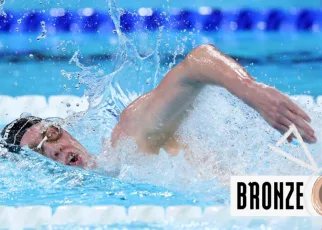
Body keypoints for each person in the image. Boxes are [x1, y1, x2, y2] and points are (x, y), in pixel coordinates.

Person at [0, 44, 317, 169]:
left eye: (51, 135)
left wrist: (251, 91)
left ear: (64, 131)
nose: (52, 150)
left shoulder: (129, 142)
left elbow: (196, 63)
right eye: (38, 153)